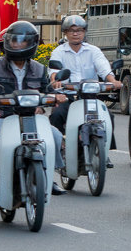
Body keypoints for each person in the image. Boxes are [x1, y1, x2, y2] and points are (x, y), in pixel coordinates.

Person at [0, 21, 66, 207]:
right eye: (14, 41)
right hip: (3, 116)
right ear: (7, 43)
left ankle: (49, 177)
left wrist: (53, 98)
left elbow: (46, 90)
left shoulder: (39, 68)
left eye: (23, 41)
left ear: (33, 43)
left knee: (55, 135)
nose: (18, 45)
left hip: (31, 117)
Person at [47, 14, 123, 156]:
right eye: (71, 30)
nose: (76, 33)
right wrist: (56, 80)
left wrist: (113, 81)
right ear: (65, 33)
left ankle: (104, 153)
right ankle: (60, 146)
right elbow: (54, 71)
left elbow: (104, 68)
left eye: (79, 30)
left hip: (90, 97)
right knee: (57, 115)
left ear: (84, 32)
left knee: (108, 117)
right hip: (68, 96)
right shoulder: (59, 52)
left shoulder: (93, 51)